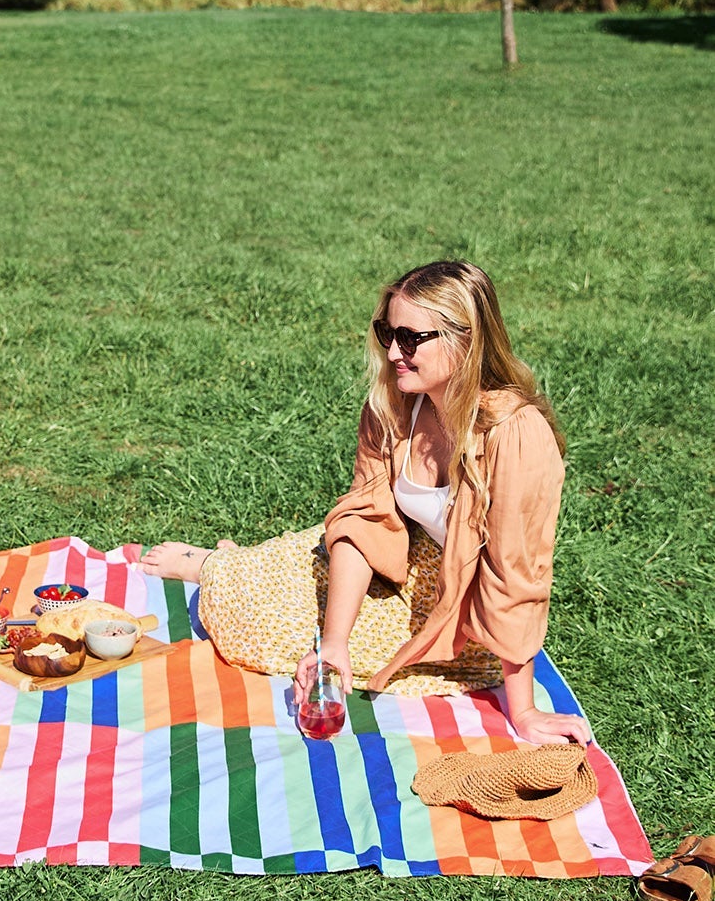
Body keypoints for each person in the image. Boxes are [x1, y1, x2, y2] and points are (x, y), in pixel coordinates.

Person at [141, 260, 590, 746]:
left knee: (258, 629)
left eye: (411, 339)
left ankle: (220, 566)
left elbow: (513, 572)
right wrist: (335, 643)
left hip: (467, 605)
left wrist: (523, 709)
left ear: (466, 340)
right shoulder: (395, 404)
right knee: (287, 616)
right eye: (387, 333)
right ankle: (222, 565)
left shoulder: (516, 434)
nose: (394, 352)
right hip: (399, 560)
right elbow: (364, 520)